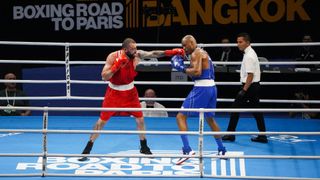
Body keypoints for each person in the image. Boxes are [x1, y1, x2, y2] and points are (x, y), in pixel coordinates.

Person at [79, 38, 184, 161]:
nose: (135, 51)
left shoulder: (137, 55)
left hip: (130, 93)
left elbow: (154, 53)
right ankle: (88, 147)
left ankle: (144, 146)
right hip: (114, 93)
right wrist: (116, 66)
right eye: (132, 49)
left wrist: (173, 52)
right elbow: (104, 76)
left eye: (136, 48)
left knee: (140, 119)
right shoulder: (113, 57)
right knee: (101, 122)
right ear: (125, 49)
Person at [170, 35, 226, 165]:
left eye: (185, 45)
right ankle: (222, 149)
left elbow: (196, 72)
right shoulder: (202, 52)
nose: (183, 48)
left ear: (191, 42)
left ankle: (187, 150)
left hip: (202, 88)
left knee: (180, 117)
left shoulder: (196, 53)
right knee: (210, 118)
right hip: (212, 87)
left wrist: (181, 68)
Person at [222, 33, 268, 143]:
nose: (238, 44)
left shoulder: (249, 55)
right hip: (253, 86)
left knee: (235, 108)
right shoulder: (249, 53)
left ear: (247, 42)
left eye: (240, 42)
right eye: (237, 42)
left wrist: (244, 90)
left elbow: (250, 75)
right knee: (256, 111)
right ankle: (262, 135)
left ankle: (230, 134)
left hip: (249, 86)